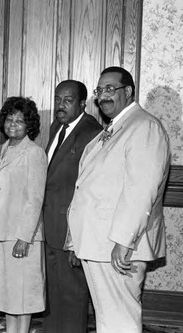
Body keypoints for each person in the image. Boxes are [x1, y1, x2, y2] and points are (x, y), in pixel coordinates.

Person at [66, 66, 171, 333]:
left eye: (110, 89)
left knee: (119, 320)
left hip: (118, 245)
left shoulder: (144, 126)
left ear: (129, 91)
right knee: (108, 318)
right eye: (99, 90)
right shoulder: (115, 128)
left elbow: (141, 190)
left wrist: (123, 241)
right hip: (100, 242)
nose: (103, 96)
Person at [42, 80, 102, 333]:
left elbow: (92, 190)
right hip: (50, 225)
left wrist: (77, 239)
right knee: (53, 293)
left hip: (71, 231)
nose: (60, 105)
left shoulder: (93, 132)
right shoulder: (58, 126)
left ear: (82, 104)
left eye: (67, 101)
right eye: (57, 99)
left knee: (73, 296)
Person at [0, 96, 47, 333]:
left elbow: (35, 199)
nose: (13, 124)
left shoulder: (34, 153)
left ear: (29, 124)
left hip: (23, 236)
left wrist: (24, 238)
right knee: (8, 297)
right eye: (9, 119)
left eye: (20, 121)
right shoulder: (1, 150)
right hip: (2, 234)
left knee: (23, 297)